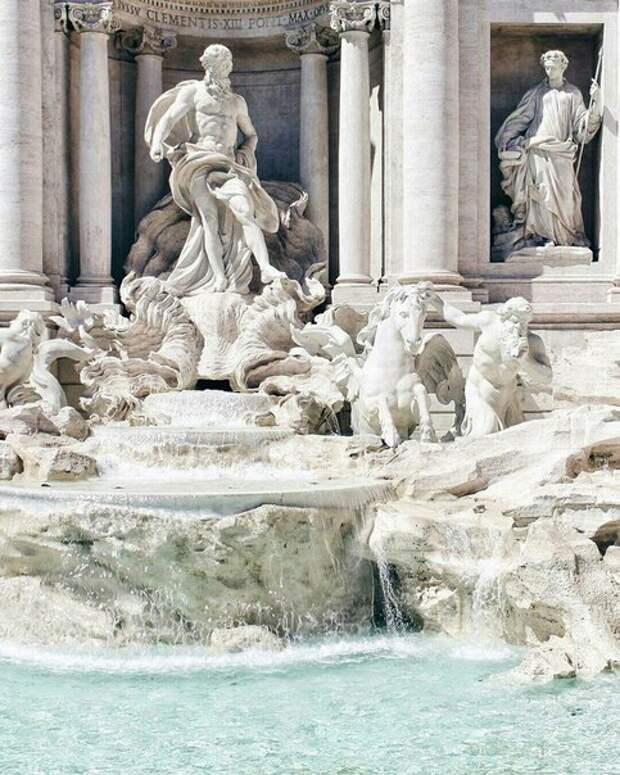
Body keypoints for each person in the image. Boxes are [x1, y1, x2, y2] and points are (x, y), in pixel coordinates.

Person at [145, 44, 285, 295]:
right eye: (221, 64)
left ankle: (265, 268)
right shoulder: (193, 92)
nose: (226, 68)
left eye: (228, 64)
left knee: (245, 211)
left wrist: (246, 151)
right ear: (209, 66)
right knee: (208, 221)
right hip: (199, 161)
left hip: (228, 165)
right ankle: (219, 277)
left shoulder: (236, 102)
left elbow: (251, 135)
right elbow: (168, 118)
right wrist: (157, 143)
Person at [494, 50, 602, 256]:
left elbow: (582, 127)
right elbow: (521, 118)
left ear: (563, 66)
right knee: (541, 194)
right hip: (538, 149)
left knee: (566, 196)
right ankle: (541, 236)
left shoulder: (573, 94)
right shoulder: (536, 93)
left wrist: (596, 103)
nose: (549, 70)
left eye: (553, 67)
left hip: (562, 151)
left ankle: (565, 238)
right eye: (547, 67)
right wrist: (506, 140)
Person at [430, 294, 551, 436]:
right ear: (505, 316)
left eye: (524, 323)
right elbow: (459, 319)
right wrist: (435, 300)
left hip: (505, 396)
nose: (519, 326)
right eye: (515, 321)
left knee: (507, 438)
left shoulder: (532, 342)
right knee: (486, 432)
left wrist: (525, 361)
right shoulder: (489, 321)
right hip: (477, 387)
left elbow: (546, 377)